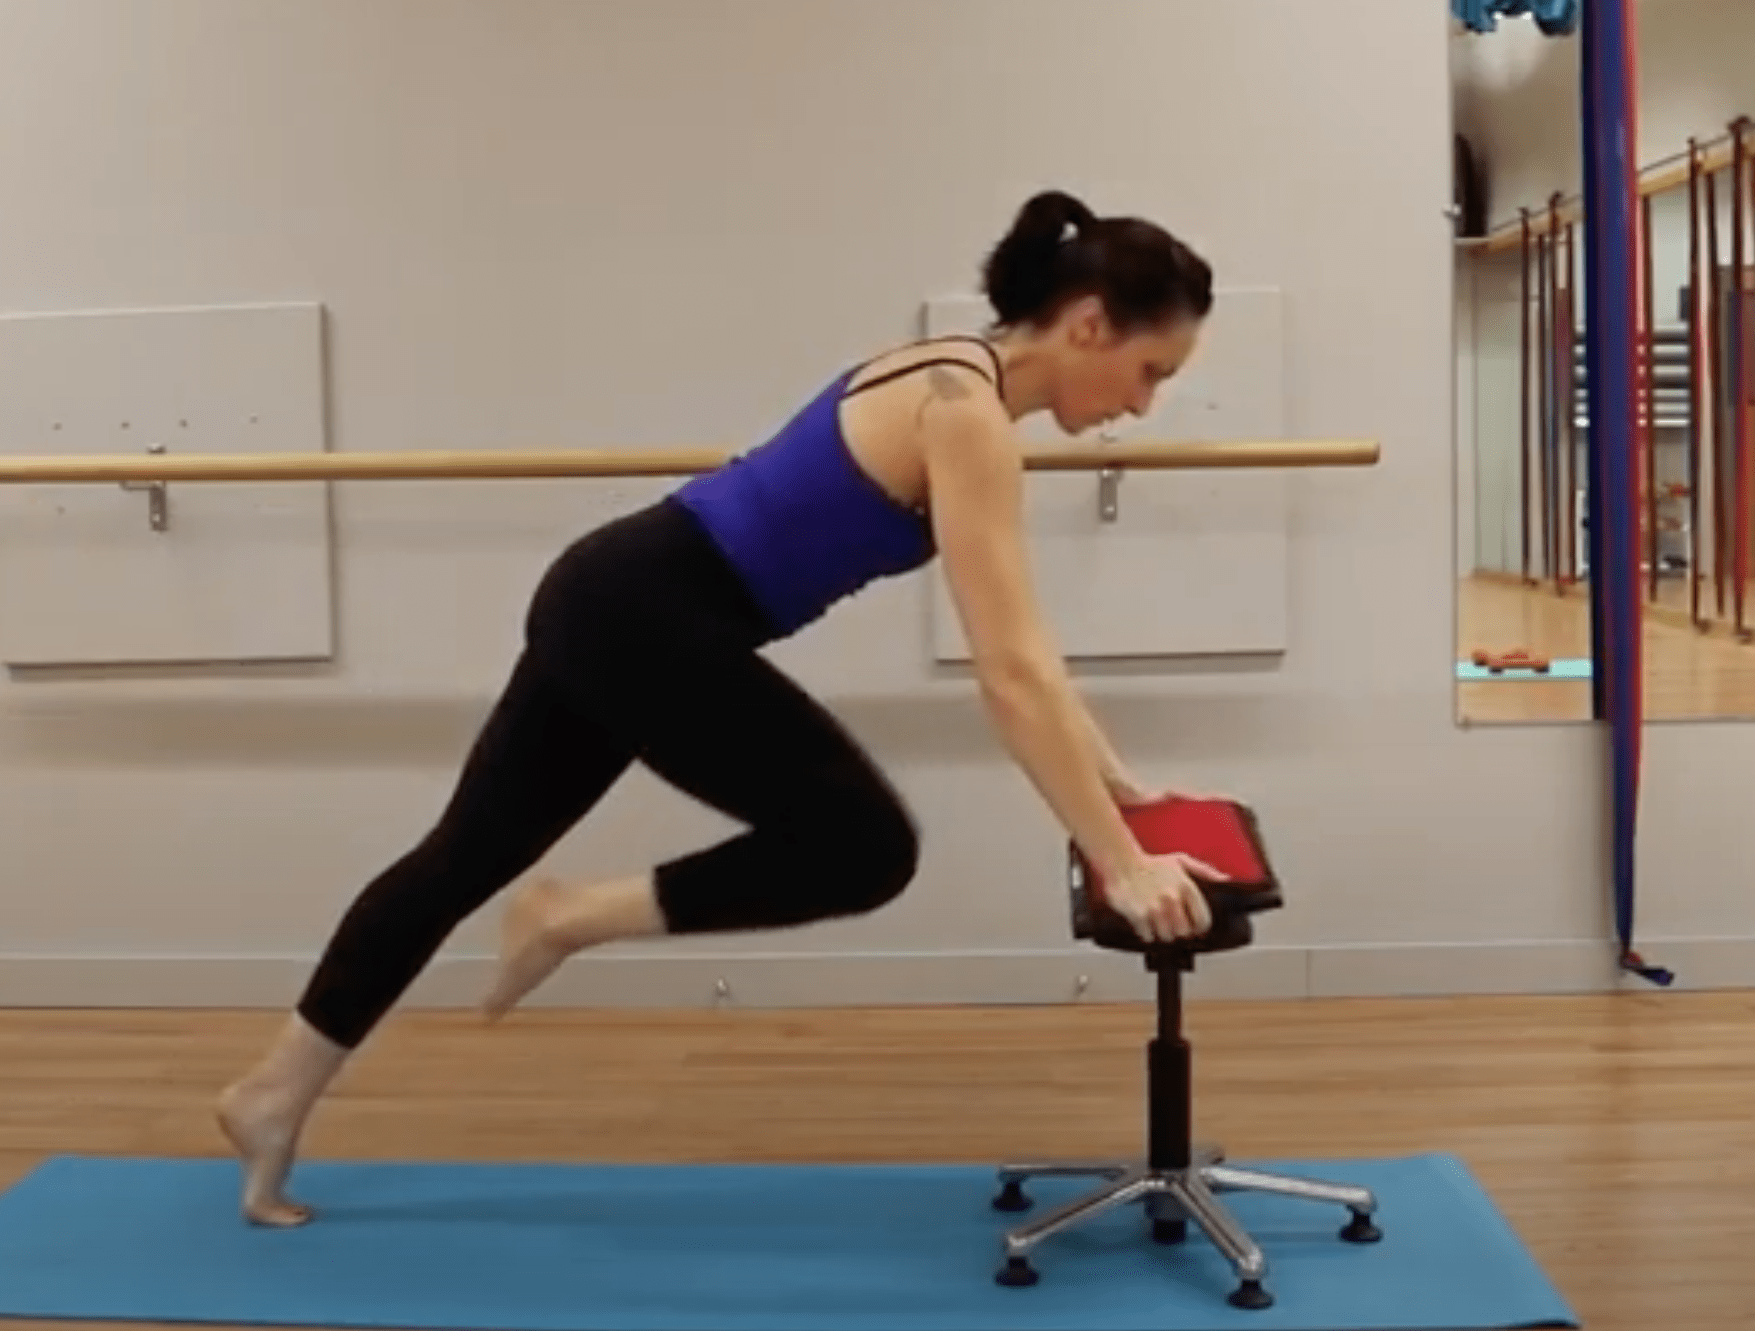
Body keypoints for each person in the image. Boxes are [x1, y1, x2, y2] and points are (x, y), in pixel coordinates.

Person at [215, 187, 1227, 1227]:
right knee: (862, 842)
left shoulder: (943, 374)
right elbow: (1012, 674)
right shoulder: (963, 415)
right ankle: (571, 913)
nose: (1143, 405)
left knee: (459, 858)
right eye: (1150, 372)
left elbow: (1033, 659)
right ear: (1091, 321)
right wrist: (1119, 857)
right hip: (646, 615)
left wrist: (1125, 794)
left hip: (614, 599)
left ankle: (270, 1096)